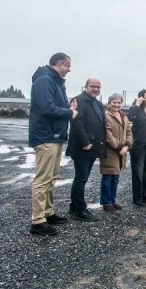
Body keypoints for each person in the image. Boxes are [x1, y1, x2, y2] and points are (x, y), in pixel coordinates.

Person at [28, 53, 78, 236]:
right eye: (68, 66)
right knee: (43, 179)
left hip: (54, 136)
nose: (69, 70)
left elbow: (53, 105)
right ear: (60, 63)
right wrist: (69, 113)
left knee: (51, 177)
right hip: (46, 136)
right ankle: (38, 221)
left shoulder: (55, 81)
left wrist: (67, 107)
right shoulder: (44, 80)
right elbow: (47, 108)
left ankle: (48, 213)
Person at [65, 78, 106, 221]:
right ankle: (80, 210)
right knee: (81, 178)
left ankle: (74, 205)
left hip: (93, 147)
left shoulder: (98, 103)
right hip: (83, 147)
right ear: (86, 86)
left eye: (98, 87)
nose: (95, 89)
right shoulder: (79, 101)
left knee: (82, 178)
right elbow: (76, 122)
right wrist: (85, 142)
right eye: (92, 86)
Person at [99, 93, 132, 212]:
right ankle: (106, 203)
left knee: (116, 178)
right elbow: (107, 135)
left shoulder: (124, 116)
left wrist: (127, 146)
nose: (116, 105)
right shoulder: (106, 115)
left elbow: (129, 132)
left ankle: (113, 201)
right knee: (107, 177)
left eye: (119, 102)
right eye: (114, 102)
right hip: (110, 151)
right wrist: (119, 147)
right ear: (109, 103)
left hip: (122, 152)